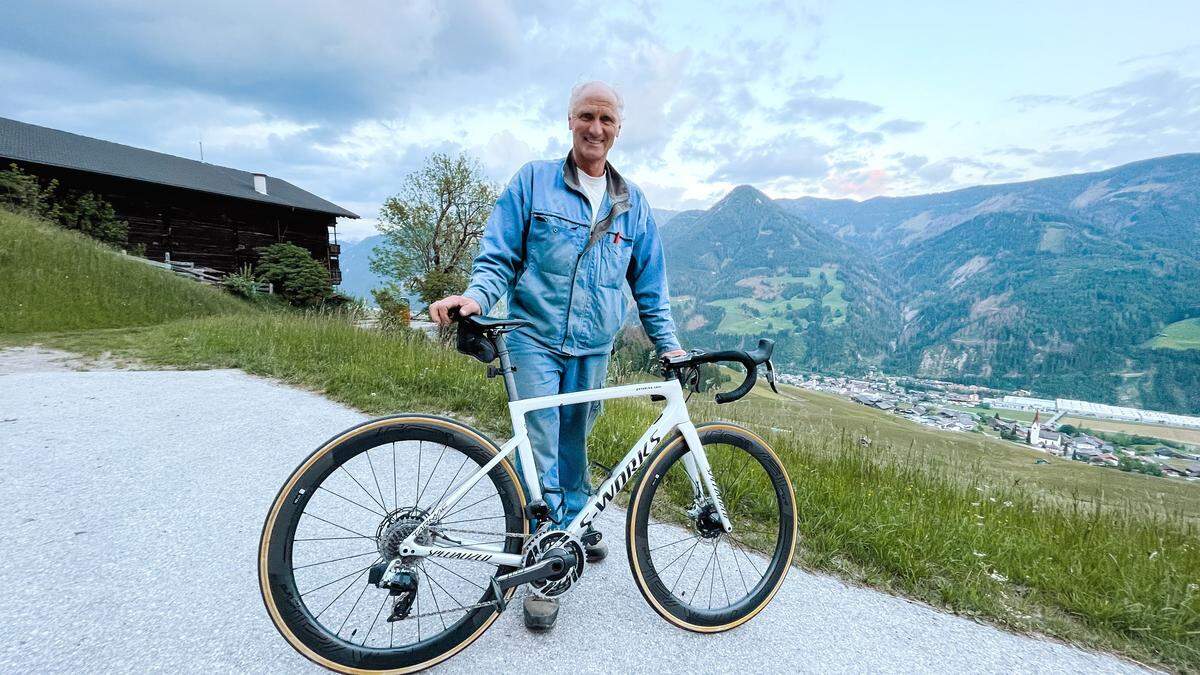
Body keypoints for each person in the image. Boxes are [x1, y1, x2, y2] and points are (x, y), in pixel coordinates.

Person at [429, 80, 685, 631]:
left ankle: (569, 527)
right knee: (539, 439)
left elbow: (650, 286)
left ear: (619, 129)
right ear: (569, 120)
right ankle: (540, 564)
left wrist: (670, 345)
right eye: (586, 116)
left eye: (607, 119)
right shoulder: (533, 181)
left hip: (594, 344)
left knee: (575, 436)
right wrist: (474, 298)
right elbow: (498, 255)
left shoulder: (632, 203)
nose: (596, 128)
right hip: (533, 335)